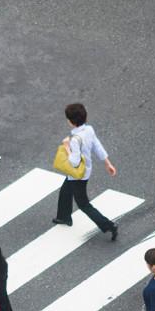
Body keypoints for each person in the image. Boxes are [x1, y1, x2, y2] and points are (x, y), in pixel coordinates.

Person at [54, 103, 118, 241]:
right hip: (85, 171)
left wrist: (66, 147)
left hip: (78, 175)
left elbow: (74, 162)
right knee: (65, 191)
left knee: (83, 204)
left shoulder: (75, 140)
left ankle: (109, 225)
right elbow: (97, 146)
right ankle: (63, 217)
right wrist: (108, 163)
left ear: (71, 122)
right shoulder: (89, 130)